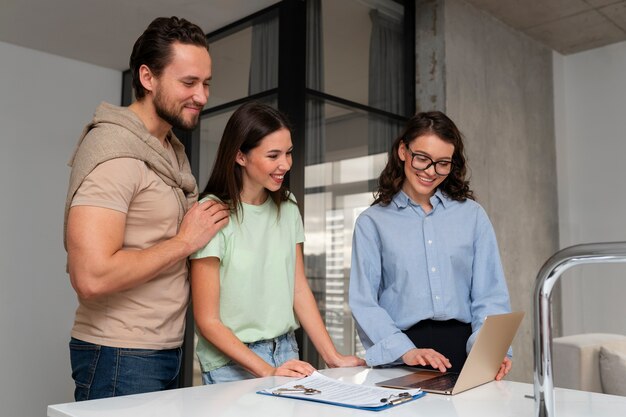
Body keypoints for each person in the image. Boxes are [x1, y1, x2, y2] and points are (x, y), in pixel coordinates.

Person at [64, 16, 229, 400]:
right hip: (118, 353)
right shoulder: (114, 154)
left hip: (164, 349)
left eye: (206, 83)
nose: (202, 96)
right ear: (147, 77)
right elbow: (90, 277)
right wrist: (185, 242)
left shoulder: (171, 152)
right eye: (188, 83)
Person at [190, 102, 365, 384]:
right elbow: (207, 321)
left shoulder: (287, 206)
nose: (285, 164)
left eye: (288, 153)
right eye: (273, 155)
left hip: (286, 350)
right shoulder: (211, 213)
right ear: (240, 156)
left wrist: (332, 356)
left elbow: (298, 289)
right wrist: (267, 371)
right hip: (231, 361)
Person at [348, 111, 513, 380]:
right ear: (403, 151)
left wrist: (492, 351)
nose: (430, 172)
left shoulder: (472, 216)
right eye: (422, 158)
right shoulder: (372, 222)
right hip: (403, 355)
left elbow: (490, 295)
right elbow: (364, 302)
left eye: (442, 163)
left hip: (466, 353)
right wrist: (405, 351)